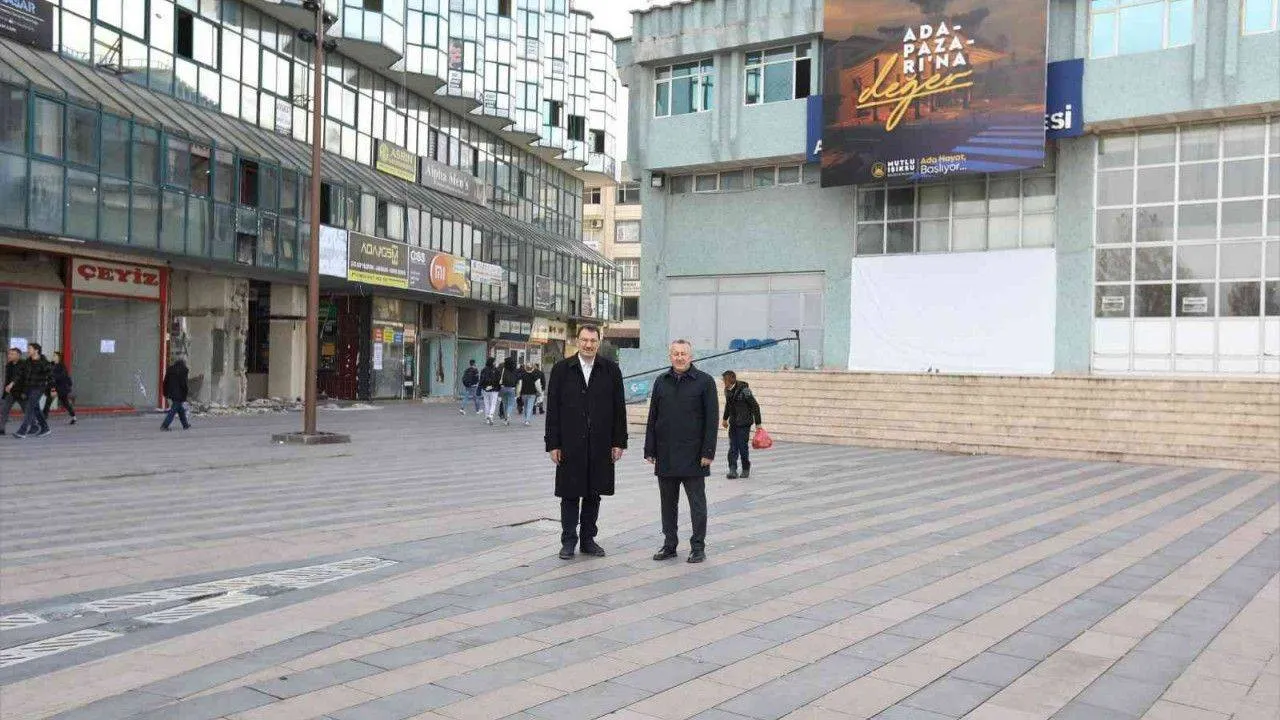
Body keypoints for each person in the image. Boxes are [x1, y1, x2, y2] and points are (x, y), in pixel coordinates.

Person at [545, 325, 627, 560]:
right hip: (570, 443)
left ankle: (588, 540)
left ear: (598, 342)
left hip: (600, 443)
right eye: (584, 340)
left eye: (592, 340)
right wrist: (553, 444)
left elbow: (619, 409)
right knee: (569, 494)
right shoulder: (562, 369)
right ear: (577, 341)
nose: (588, 345)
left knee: (594, 493)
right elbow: (553, 409)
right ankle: (568, 541)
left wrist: (619, 442)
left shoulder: (611, 370)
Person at [644, 339, 717, 564]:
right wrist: (650, 448)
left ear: (690, 356)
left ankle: (698, 547)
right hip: (665, 454)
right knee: (668, 504)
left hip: (694, 455)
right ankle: (669, 545)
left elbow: (712, 419)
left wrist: (708, 452)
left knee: (697, 504)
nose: (679, 357)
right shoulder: (661, 381)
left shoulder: (705, 381)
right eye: (675, 353)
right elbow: (653, 416)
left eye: (683, 353)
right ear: (670, 356)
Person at [721, 370, 762, 479]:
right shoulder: (727, 390)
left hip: (744, 423)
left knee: (742, 447)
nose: (724, 382)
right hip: (733, 423)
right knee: (733, 447)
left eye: (725, 380)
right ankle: (732, 469)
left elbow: (755, 406)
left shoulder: (745, 390)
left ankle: (745, 468)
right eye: (723, 380)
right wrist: (725, 419)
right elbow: (728, 405)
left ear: (732, 379)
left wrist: (758, 423)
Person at [15, 343, 52, 438]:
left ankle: (22, 431)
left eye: (30, 348)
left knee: (30, 407)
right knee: (36, 409)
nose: (28, 350)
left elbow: (51, 377)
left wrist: (53, 389)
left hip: (39, 388)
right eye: (28, 348)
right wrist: (12, 384)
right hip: (29, 388)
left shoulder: (44, 362)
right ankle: (45, 428)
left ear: (36, 350)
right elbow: (20, 375)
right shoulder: (28, 361)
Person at [42, 351, 77, 426]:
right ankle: (43, 418)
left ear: (59, 358)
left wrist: (53, 389)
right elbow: (47, 372)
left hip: (61, 388)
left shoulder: (61, 367)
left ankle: (74, 417)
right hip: (53, 387)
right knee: (48, 402)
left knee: (65, 403)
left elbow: (59, 378)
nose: (53, 356)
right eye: (53, 355)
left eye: (55, 355)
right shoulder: (51, 365)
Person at [161, 357, 191, 431]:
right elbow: (184, 384)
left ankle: (185, 425)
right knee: (173, 410)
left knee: (180, 409)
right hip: (179, 393)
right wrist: (185, 394)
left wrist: (165, 392)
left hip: (171, 392)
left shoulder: (170, 369)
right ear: (183, 363)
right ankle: (164, 425)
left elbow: (165, 381)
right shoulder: (184, 370)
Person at [1, 347, 25, 436]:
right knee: (4, 410)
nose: (9, 356)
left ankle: (35, 426)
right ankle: (1, 428)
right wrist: (4, 394)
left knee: (27, 410)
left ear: (18, 355)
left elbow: (19, 377)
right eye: (9, 354)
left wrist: (25, 392)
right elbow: (7, 379)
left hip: (21, 392)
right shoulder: (9, 365)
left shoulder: (24, 364)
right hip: (11, 392)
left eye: (12, 354)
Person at [517, 362, 544, 426]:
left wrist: (518, 393)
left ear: (525, 368)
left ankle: (526, 419)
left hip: (523, 393)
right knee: (530, 407)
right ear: (532, 368)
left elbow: (519, 385)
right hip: (532, 393)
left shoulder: (522, 375)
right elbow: (538, 385)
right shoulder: (535, 375)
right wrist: (540, 392)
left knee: (525, 406)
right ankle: (527, 420)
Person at [498, 355, 519, 427]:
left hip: (503, 388)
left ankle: (505, 418)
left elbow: (498, 377)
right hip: (512, 389)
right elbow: (517, 380)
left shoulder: (502, 369)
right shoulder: (515, 370)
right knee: (510, 404)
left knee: (504, 404)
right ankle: (508, 415)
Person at [479, 357, 501, 425]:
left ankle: (487, 419)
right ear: (492, 362)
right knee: (493, 403)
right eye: (494, 361)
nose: (495, 363)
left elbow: (481, 379)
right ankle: (491, 415)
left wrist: (482, 387)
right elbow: (498, 380)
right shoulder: (496, 370)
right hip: (494, 389)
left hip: (485, 389)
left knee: (486, 404)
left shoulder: (483, 370)